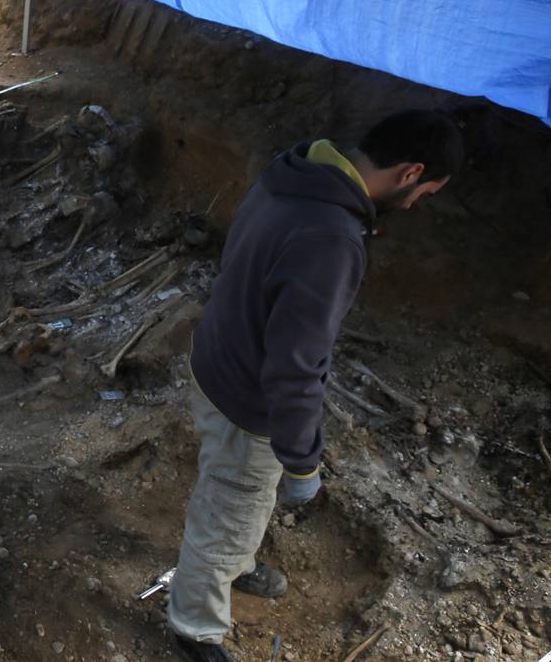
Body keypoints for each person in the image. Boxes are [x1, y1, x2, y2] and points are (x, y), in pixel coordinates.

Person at [166, 110, 463, 661]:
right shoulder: (331, 237)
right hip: (246, 398)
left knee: (240, 502)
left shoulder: (296, 171)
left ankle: (239, 562)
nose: (421, 202)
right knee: (229, 505)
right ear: (410, 172)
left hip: (217, 354)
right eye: (427, 191)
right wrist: (302, 461)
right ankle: (193, 629)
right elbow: (295, 368)